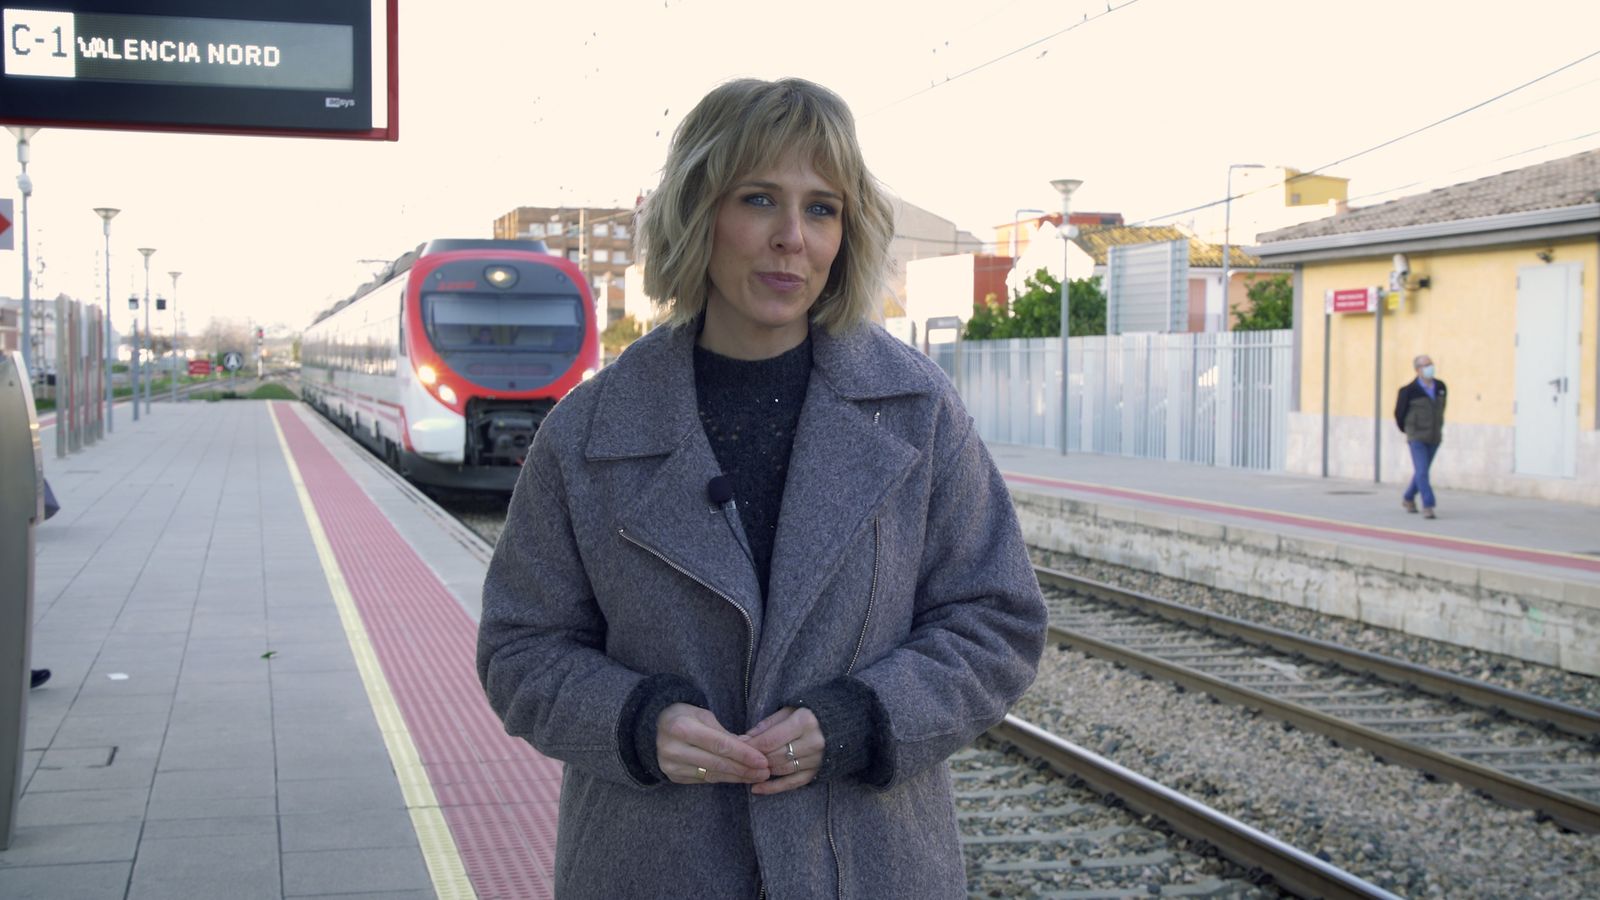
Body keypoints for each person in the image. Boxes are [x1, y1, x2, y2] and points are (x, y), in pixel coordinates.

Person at [477, 78, 1047, 899]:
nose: (792, 238)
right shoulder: (590, 431)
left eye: (822, 209)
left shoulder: (915, 410)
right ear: (696, 212)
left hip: (870, 867)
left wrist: (864, 718)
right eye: (758, 200)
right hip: (652, 868)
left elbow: (996, 621)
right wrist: (635, 721)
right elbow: (519, 649)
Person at [1395, 353, 1447, 519]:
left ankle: (1408, 497)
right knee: (1422, 471)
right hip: (1416, 436)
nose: (1430, 368)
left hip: (1434, 436)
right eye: (1426, 365)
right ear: (1418, 369)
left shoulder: (1440, 387)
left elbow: (1441, 409)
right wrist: (1409, 431)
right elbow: (1399, 414)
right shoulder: (1408, 391)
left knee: (1421, 472)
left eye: (1431, 364)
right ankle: (1428, 505)